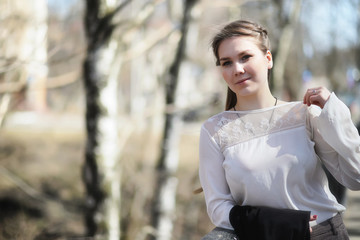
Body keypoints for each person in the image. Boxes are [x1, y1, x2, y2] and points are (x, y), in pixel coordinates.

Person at [199, 19, 360, 240]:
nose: (237, 69)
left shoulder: (304, 114)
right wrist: (281, 224)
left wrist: (335, 115)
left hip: (324, 235)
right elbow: (218, 208)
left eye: (245, 57)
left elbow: (355, 178)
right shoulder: (214, 130)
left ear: (268, 59)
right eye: (226, 62)